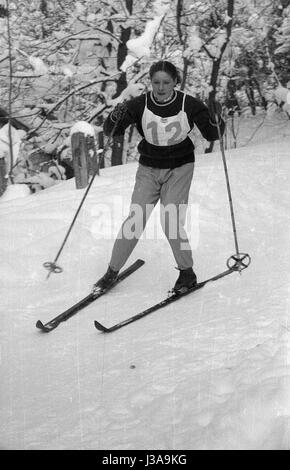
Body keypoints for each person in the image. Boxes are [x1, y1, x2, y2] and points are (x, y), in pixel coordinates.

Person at [94, 60, 224, 294]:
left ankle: (187, 273)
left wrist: (216, 118)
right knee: (135, 220)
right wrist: (116, 115)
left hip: (180, 167)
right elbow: (111, 130)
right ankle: (111, 272)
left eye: (166, 82)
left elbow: (212, 133)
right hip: (149, 168)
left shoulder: (189, 104)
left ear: (175, 82)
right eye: (156, 82)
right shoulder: (139, 104)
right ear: (151, 82)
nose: (161, 87)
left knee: (171, 220)